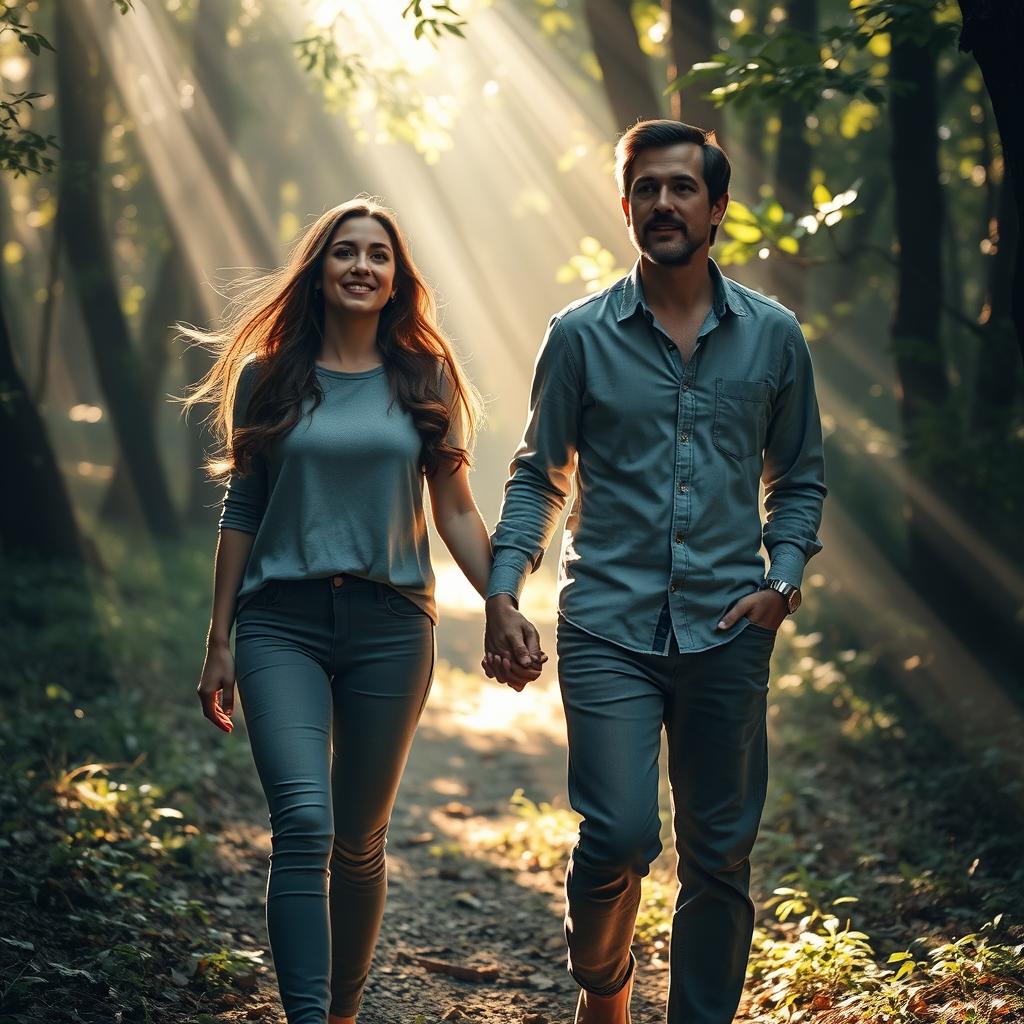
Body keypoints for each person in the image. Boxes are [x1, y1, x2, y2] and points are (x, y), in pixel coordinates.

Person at [483, 120, 827, 1024]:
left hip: (728, 629)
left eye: (682, 188)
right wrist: (503, 590)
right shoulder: (579, 336)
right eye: (646, 188)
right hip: (608, 625)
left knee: (719, 856)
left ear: (717, 207)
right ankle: (605, 983)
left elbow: (798, 477)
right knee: (620, 837)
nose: (663, 203)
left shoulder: (776, 338)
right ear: (626, 205)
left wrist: (781, 583)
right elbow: (537, 474)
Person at [185, 196, 544, 1024]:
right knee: (303, 824)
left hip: (391, 628)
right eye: (344, 252)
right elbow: (244, 506)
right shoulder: (267, 377)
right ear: (319, 270)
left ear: (396, 279)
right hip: (282, 623)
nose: (361, 266)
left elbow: (455, 509)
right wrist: (219, 638)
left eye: (377, 255)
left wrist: (501, 602)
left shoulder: (425, 379)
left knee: (358, 841)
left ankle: (343, 1012)